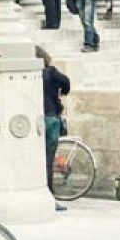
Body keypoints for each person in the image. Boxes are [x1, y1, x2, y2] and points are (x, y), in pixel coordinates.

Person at [36, 46, 71, 212]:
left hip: (36, 120)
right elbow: (66, 82)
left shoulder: (31, 74)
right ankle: (49, 197)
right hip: (51, 118)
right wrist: (63, 92)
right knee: (48, 160)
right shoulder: (50, 72)